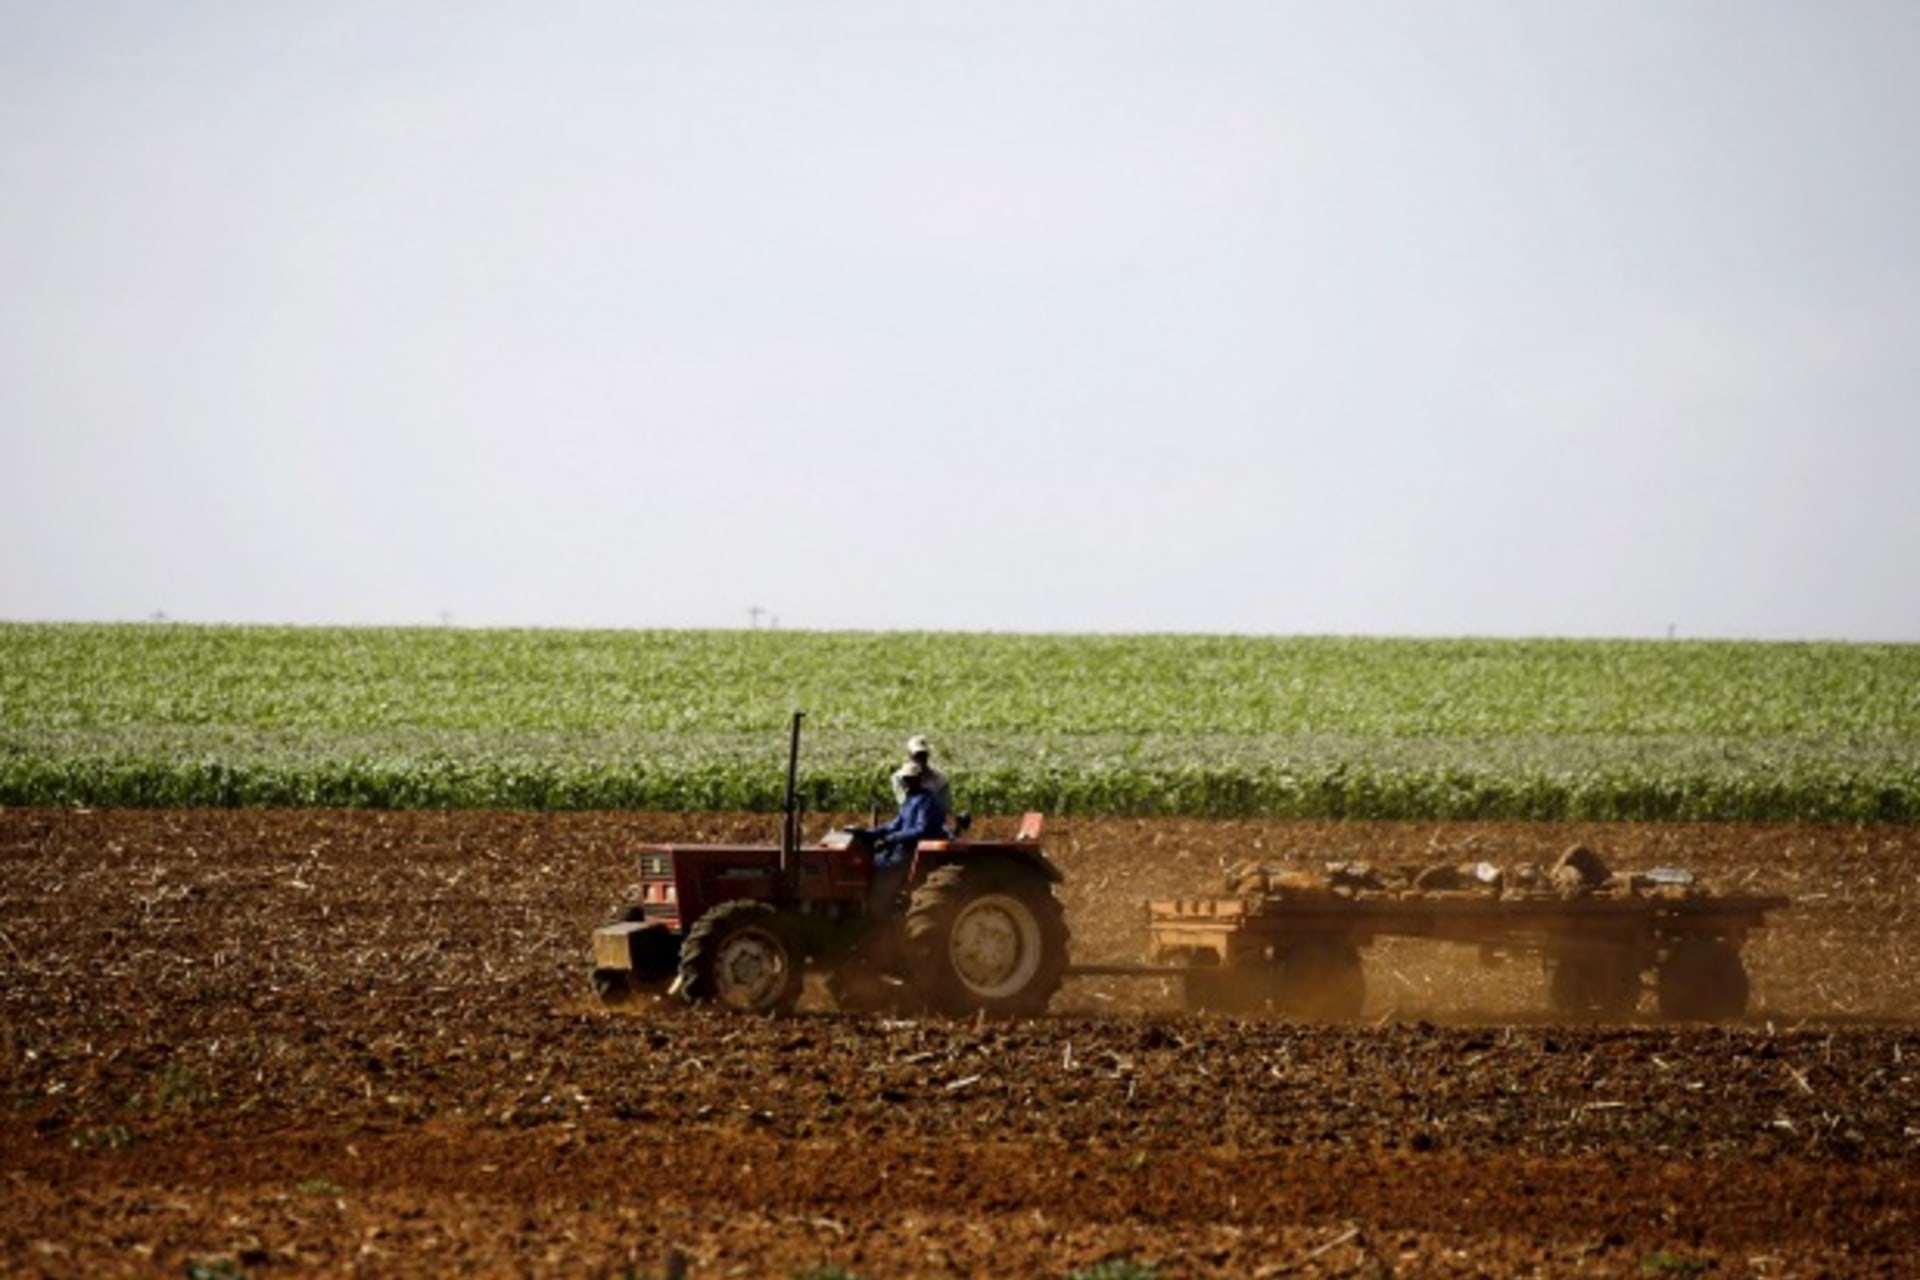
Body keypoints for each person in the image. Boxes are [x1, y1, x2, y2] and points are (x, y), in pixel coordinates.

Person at [864, 760, 949, 912]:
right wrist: (869, 834)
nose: (906, 782)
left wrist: (894, 838)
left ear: (918, 779)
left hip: (912, 850)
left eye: (909, 779)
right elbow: (895, 824)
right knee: (870, 858)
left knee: (879, 865)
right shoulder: (910, 800)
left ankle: (879, 908)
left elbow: (921, 829)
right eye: (905, 779)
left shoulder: (926, 801)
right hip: (902, 847)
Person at [891, 734, 951, 813]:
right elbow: (905, 803)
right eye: (917, 755)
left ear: (927, 756)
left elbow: (944, 807)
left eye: (923, 755)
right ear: (909, 755)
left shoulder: (940, 780)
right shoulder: (898, 778)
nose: (920, 759)